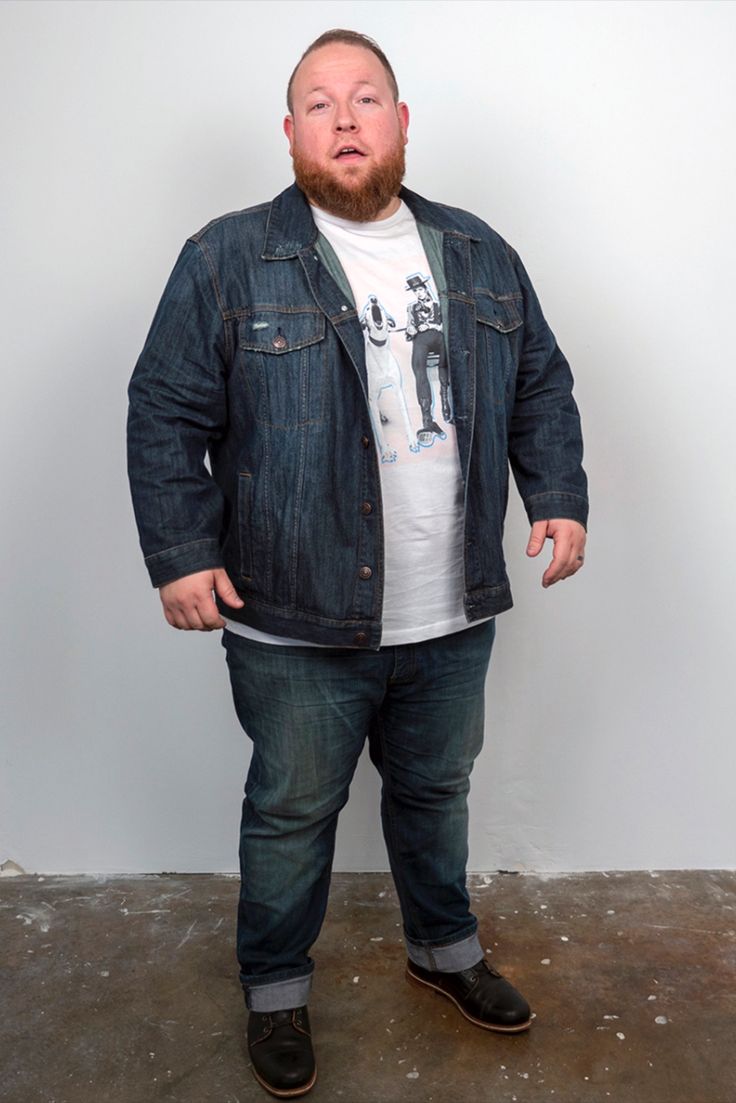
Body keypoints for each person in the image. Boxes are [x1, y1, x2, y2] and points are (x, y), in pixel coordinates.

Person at [127, 28, 588, 1099]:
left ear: (401, 122)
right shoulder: (225, 257)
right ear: (289, 132)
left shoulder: (478, 251)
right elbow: (165, 409)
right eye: (320, 103)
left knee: (435, 791)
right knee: (292, 809)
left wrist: (557, 494)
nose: (344, 118)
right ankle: (276, 988)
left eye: (366, 98)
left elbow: (540, 382)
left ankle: (444, 949)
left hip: (450, 606)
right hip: (291, 613)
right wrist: (182, 552)